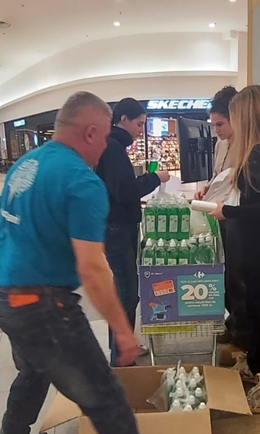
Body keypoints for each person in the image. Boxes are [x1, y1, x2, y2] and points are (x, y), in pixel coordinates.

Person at [0, 92, 158, 434]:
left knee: (35, 370)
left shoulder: (26, 165)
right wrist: (123, 331)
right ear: (91, 133)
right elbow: (91, 268)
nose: (107, 146)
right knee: (105, 397)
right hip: (42, 306)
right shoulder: (81, 180)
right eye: (106, 136)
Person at [210, 85, 260, 413]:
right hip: (255, 240)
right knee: (256, 310)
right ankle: (258, 367)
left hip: (258, 241)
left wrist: (227, 211)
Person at [94, 97, 170, 367]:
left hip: (115, 225)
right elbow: (124, 191)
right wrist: (154, 179)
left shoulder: (112, 146)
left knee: (123, 289)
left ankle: (120, 347)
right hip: (117, 228)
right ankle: (121, 358)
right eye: (139, 124)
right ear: (123, 119)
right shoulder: (113, 147)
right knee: (128, 292)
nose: (141, 130)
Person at [193, 87, 249, 367]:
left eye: (220, 124)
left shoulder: (248, 145)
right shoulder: (220, 145)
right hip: (220, 214)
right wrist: (207, 189)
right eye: (213, 124)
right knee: (224, 272)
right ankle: (233, 322)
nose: (216, 130)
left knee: (238, 277)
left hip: (238, 217)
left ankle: (242, 337)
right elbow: (218, 176)